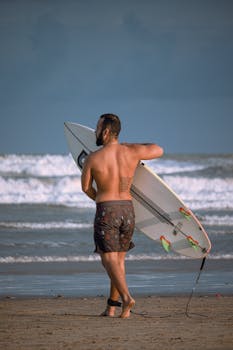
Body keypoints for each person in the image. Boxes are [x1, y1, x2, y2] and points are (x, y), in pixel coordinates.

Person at [81, 114, 163, 318]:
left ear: (107, 132)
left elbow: (85, 188)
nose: (96, 132)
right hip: (128, 210)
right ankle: (112, 307)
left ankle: (127, 298)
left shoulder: (93, 158)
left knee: (108, 260)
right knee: (118, 261)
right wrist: (131, 146)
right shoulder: (132, 151)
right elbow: (158, 149)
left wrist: (100, 199)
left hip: (107, 210)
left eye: (98, 128)